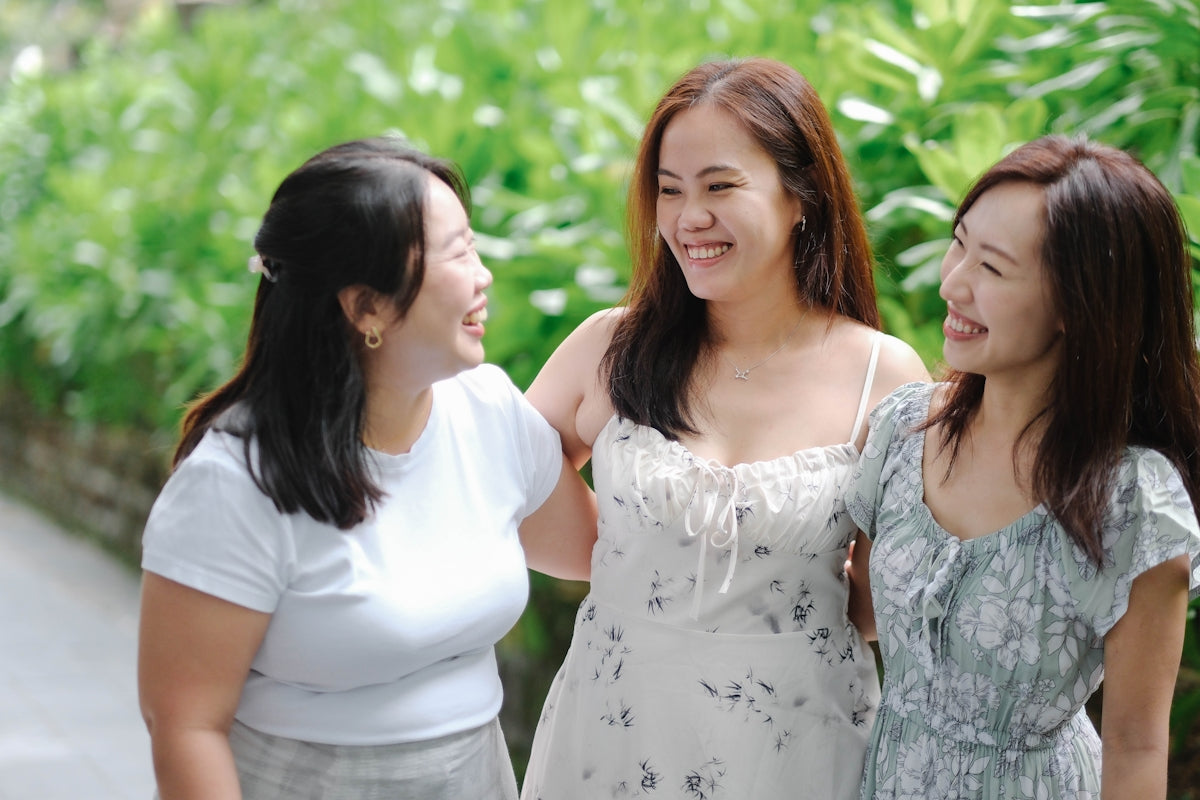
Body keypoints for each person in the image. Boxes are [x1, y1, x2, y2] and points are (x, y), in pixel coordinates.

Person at [136, 137, 597, 800]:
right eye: (458, 253)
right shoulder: (234, 482)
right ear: (365, 307)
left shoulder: (488, 412)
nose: (483, 276)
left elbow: (606, 553)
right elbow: (185, 726)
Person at [519, 58, 929, 799]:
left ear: (802, 195)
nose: (688, 218)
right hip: (616, 733)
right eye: (669, 190)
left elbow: (880, 601)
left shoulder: (883, 374)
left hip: (799, 750)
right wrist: (639, 564)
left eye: (719, 186)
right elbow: (500, 483)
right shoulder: (608, 347)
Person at [846, 135, 1200, 798]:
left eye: (993, 268)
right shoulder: (903, 430)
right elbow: (860, 615)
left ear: (1078, 304)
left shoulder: (1132, 503)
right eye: (959, 244)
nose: (952, 282)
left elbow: (1136, 745)